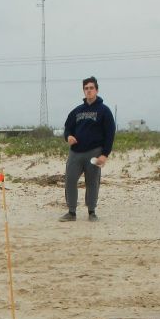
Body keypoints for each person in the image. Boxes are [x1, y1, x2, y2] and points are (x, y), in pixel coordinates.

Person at [60, 76, 115, 222]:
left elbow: (110, 133)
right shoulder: (77, 111)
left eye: (91, 88)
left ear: (96, 90)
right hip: (75, 153)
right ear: (83, 91)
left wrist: (105, 154)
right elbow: (67, 129)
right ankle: (71, 212)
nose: (89, 91)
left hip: (94, 152)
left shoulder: (104, 111)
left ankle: (92, 212)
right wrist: (68, 137)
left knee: (92, 182)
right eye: (86, 88)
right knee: (70, 180)